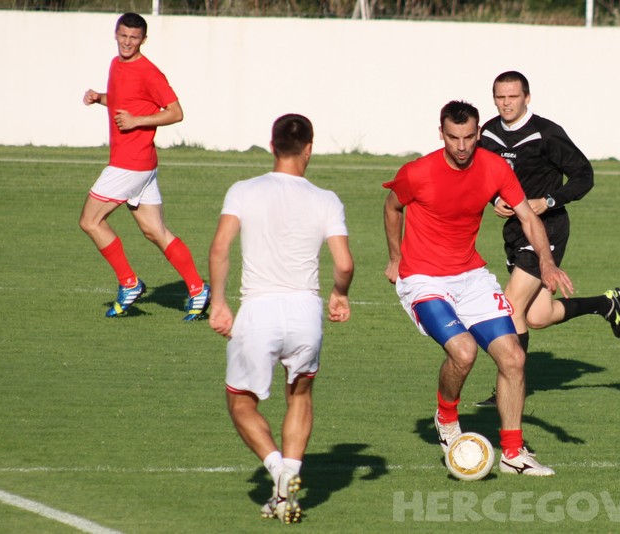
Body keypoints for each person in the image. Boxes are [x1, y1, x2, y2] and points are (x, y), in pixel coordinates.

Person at [383, 100, 573, 477]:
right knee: (464, 352)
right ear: (441, 134)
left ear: (478, 134)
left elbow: (526, 215)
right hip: (423, 278)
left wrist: (547, 262)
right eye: (453, 138)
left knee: (514, 358)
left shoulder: (494, 167)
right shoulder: (417, 172)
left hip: (470, 276)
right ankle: (446, 417)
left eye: (470, 137)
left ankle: (514, 454)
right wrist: (394, 257)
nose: (462, 146)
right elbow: (392, 207)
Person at [209, 114, 354, 523]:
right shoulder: (326, 199)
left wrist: (218, 302)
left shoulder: (243, 191)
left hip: (258, 311)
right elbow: (343, 262)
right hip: (306, 313)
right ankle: (288, 480)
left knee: (240, 401)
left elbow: (221, 247)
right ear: (309, 149)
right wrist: (339, 294)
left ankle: (276, 469)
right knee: (301, 395)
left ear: (272, 146)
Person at [475, 70, 620, 407]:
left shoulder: (546, 134)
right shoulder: (488, 134)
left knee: (510, 306)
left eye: (513, 96)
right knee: (537, 317)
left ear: (527, 97)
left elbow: (584, 176)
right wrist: (493, 200)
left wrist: (549, 200)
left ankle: (513, 385)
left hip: (548, 228)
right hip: (515, 230)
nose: (506, 103)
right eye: (500, 97)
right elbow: (482, 175)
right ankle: (605, 304)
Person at [79, 12, 210, 320]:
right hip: (142, 164)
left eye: (134, 38)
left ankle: (129, 282)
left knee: (90, 221)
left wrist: (137, 121)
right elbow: (126, 98)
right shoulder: (116, 64)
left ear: (143, 40)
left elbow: (176, 113)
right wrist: (100, 98)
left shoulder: (150, 72)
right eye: (123, 35)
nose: (127, 42)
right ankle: (197, 288)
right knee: (156, 231)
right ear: (116, 34)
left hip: (129, 164)